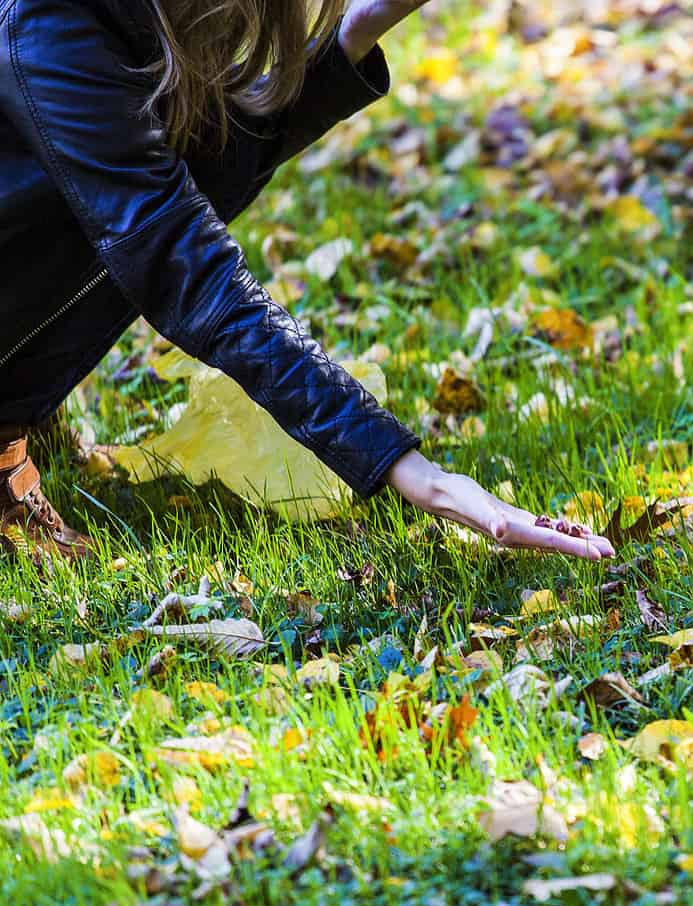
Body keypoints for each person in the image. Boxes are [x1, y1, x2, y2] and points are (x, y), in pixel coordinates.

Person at [0, 0, 614, 561]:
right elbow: (179, 259)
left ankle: (24, 411)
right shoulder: (49, 21)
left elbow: (205, 168)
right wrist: (415, 473)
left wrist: (357, 32)